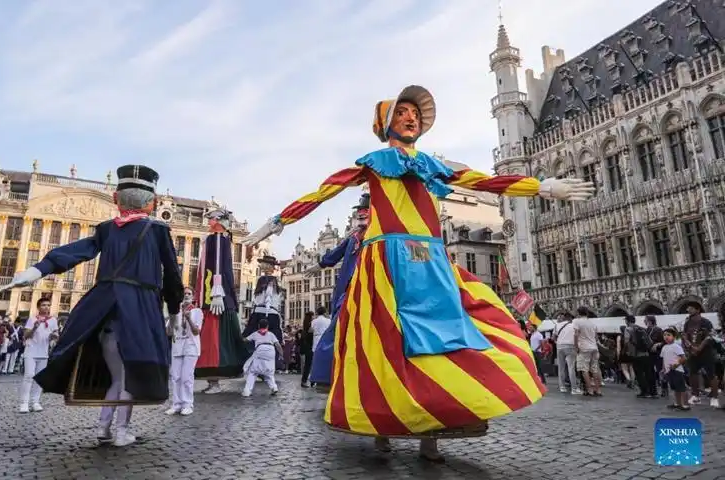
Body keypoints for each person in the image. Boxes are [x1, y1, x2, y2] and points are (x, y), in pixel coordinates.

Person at [244, 85, 594, 461]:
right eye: (400, 112)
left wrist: (541, 186)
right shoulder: (374, 163)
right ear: (385, 124)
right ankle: (381, 424)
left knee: (446, 340)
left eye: (413, 112)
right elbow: (324, 191)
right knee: (385, 347)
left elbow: (483, 181)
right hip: (386, 261)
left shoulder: (431, 166)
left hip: (430, 260)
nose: (410, 117)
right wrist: (277, 221)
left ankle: (433, 433)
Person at [5, 164, 184, 447]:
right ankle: (121, 431)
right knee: (130, 377)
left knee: (118, 375)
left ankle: (103, 428)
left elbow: (77, 251)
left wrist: (38, 269)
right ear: (152, 203)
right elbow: (172, 274)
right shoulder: (158, 230)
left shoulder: (106, 230)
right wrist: (174, 311)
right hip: (139, 310)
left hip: (104, 311)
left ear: (116, 198)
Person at [307, 194, 370, 390]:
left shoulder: (380, 234)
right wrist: (317, 265)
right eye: (359, 211)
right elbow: (335, 254)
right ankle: (327, 377)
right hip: (348, 290)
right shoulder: (352, 237)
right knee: (337, 329)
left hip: (370, 288)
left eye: (365, 210)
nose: (360, 213)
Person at [193, 207, 250, 395]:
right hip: (210, 294)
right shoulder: (218, 239)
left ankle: (215, 382)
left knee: (214, 341)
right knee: (211, 340)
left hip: (214, 296)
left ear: (218, 220)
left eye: (210, 219)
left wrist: (218, 292)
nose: (208, 222)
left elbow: (219, 265)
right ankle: (212, 382)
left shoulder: (217, 239)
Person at [166, 288, 203, 416]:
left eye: (189, 294)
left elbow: (196, 331)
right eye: (184, 294)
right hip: (177, 346)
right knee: (175, 377)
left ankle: (187, 404)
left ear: (193, 297)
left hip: (191, 347)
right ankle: (176, 404)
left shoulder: (197, 311)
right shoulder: (175, 312)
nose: (186, 295)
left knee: (186, 377)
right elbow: (169, 332)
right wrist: (171, 321)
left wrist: (189, 319)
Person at [18, 297, 59, 413]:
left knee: (40, 378)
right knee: (29, 376)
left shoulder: (53, 320)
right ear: (38, 307)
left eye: (48, 305)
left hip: (43, 352)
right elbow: (26, 335)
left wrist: (54, 336)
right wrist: (35, 326)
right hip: (31, 351)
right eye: (43, 305)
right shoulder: (32, 319)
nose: (46, 307)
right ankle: (24, 403)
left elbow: (55, 335)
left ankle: (35, 402)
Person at [682, 304, 719, 408]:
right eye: (688, 307)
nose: (688, 309)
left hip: (706, 352)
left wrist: (699, 348)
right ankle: (695, 396)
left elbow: (710, 336)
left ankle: (714, 397)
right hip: (692, 352)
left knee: (711, 374)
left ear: (697, 310)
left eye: (691, 308)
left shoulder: (706, 322)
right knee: (692, 373)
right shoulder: (687, 323)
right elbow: (685, 335)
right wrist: (689, 346)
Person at [241, 318, 283, 397]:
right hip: (271, 350)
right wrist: (281, 354)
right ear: (267, 326)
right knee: (269, 371)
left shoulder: (255, 334)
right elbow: (278, 345)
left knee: (253, 372)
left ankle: (247, 391)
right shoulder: (271, 334)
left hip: (260, 349)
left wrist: (239, 337)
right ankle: (274, 387)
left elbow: (245, 340)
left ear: (258, 325)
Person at [625, 314, 656, 398]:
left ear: (627, 321)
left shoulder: (628, 329)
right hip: (646, 354)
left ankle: (644, 392)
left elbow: (627, 342)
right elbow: (650, 341)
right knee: (648, 373)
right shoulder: (642, 328)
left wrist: (630, 353)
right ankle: (653, 392)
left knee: (639, 374)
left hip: (636, 354)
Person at [574, 307, 602, 396]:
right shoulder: (592, 323)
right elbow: (596, 337)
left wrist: (576, 347)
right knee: (594, 369)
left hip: (584, 348)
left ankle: (589, 389)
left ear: (578, 313)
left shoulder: (576, 321)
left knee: (584, 369)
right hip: (594, 348)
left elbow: (576, 334)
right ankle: (598, 390)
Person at [661, 328, 690, 411]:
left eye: (668, 335)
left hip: (677, 370)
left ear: (674, 337)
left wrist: (676, 365)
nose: (666, 337)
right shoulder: (664, 347)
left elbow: (684, 358)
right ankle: (677, 403)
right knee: (675, 388)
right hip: (669, 371)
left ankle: (684, 404)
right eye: (665, 335)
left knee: (681, 388)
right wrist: (663, 369)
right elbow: (664, 359)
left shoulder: (676, 347)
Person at [555, 313, 580, 394]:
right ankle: (574, 389)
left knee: (561, 368)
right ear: (570, 318)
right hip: (570, 346)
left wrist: (558, 342)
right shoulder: (574, 325)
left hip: (559, 347)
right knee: (571, 367)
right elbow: (577, 336)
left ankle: (562, 387)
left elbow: (553, 338)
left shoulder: (557, 325)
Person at [299, 311, 314, 387]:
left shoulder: (305, 326)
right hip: (310, 347)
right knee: (309, 365)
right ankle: (308, 381)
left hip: (307, 347)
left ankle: (304, 380)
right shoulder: (310, 326)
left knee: (308, 365)